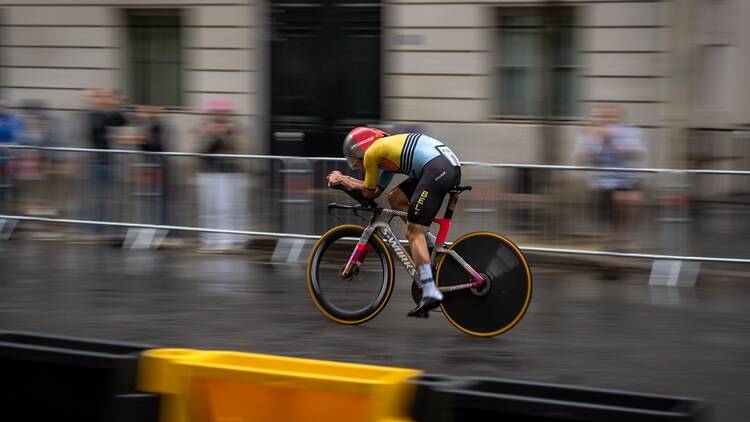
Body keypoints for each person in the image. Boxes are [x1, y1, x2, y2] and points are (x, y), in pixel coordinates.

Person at [326, 127, 461, 317]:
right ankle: (430, 244)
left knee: (413, 232)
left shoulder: (372, 153)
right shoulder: (386, 157)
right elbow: (374, 192)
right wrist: (348, 182)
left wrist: (343, 180)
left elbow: (365, 192)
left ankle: (430, 292)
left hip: (437, 169)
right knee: (395, 198)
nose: (360, 167)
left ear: (360, 151)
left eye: (357, 164)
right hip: (443, 166)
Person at [574, 105, 646, 262]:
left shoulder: (630, 132)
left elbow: (637, 153)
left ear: (619, 119)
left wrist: (612, 141)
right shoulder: (589, 134)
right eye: (603, 118)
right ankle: (608, 254)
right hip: (603, 182)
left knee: (629, 202)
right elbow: (581, 160)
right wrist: (595, 143)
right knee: (608, 218)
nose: (607, 122)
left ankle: (620, 244)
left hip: (627, 179)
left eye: (611, 118)